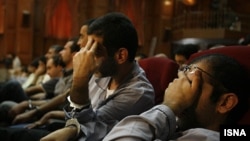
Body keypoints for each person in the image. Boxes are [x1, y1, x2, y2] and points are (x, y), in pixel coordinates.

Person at [40, 12, 155, 141]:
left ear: (121, 56)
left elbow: (90, 128)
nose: (88, 55)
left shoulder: (138, 93)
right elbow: (74, 116)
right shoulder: (104, 71)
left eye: (96, 50)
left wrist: (80, 77)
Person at [103, 53, 249, 141]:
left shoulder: (208, 137)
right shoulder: (179, 129)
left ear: (224, 103)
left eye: (190, 83)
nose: (176, 90)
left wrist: (170, 106)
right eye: (180, 80)